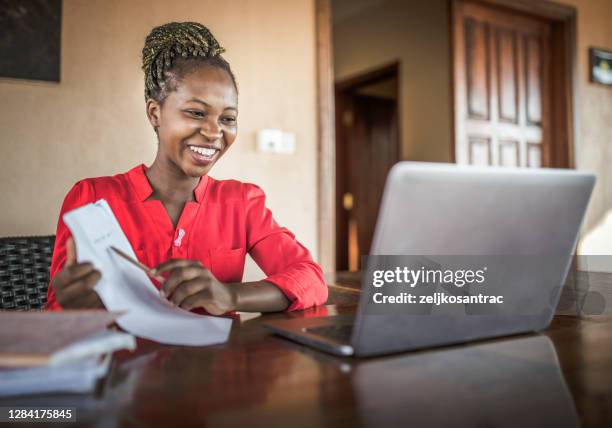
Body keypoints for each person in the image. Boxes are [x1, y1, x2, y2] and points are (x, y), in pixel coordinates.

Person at [45, 22, 327, 315]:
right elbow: (55, 312)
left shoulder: (242, 202)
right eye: (196, 113)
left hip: (218, 360)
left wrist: (230, 296)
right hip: (126, 359)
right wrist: (73, 305)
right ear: (155, 113)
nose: (214, 131)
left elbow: (311, 278)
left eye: (228, 119)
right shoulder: (93, 197)